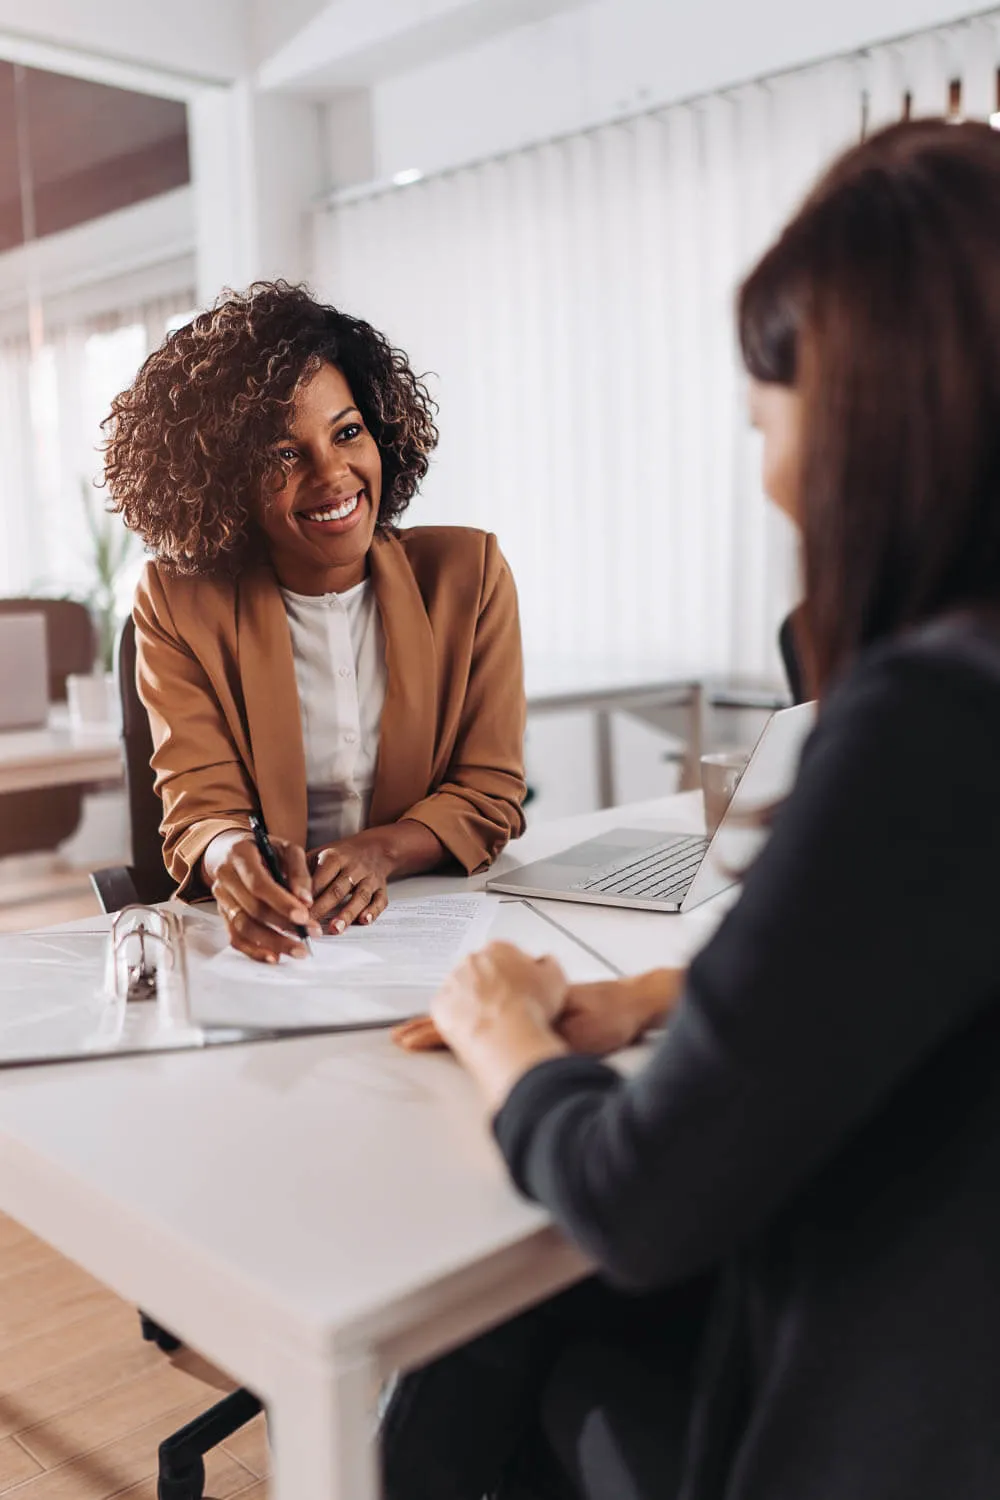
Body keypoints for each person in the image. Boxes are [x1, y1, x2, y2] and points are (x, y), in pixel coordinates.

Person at [392, 118, 1000, 1500]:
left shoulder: (934, 722)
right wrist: (663, 993)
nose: (769, 466)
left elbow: (636, 1200)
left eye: (770, 414)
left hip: (888, 1434)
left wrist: (504, 1038)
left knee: (497, 1334)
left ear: (869, 415)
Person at [103, 282, 526, 960]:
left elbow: (489, 789)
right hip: (275, 944)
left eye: (348, 432)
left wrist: (379, 853)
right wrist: (231, 860)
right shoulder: (177, 602)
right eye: (283, 453)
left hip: (428, 926)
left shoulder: (467, 575)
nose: (334, 476)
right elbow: (199, 805)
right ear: (228, 479)